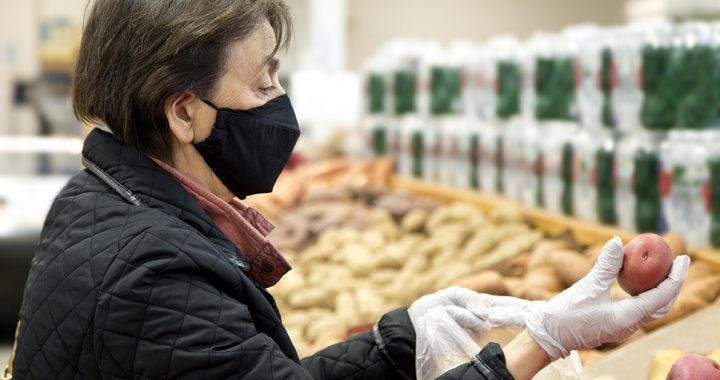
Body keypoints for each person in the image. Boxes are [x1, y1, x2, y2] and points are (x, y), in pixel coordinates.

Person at [8, 1, 689, 379]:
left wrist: (407, 338)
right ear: (183, 112)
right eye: (263, 82)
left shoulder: (105, 198)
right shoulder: (155, 278)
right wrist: (532, 346)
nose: (279, 104)